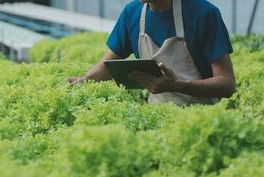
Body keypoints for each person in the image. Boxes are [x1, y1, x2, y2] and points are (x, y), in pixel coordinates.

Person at [67, 0, 236, 105]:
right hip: (157, 115)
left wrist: (178, 85)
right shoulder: (131, 13)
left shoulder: (204, 13)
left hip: (202, 117)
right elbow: (107, 66)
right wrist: (84, 80)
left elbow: (227, 84)